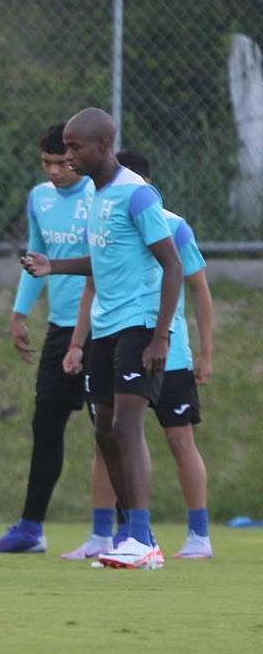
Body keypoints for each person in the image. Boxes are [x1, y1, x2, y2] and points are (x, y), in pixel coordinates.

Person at [22, 108, 183, 570]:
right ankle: (139, 536)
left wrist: (160, 336)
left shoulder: (137, 196)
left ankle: (139, 537)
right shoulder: (96, 195)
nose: (68, 156)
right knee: (103, 429)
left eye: (75, 148)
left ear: (103, 146)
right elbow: (102, 261)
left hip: (139, 323)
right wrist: (54, 266)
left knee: (127, 426)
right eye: (65, 147)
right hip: (106, 325)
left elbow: (171, 265)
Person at [61, 149, 215, 560]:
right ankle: (113, 533)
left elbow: (195, 285)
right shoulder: (102, 209)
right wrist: (78, 342)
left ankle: (196, 534)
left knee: (177, 439)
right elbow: (95, 281)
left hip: (166, 347)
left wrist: (205, 352)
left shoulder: (170, 225)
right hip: (116, 337)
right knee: (108, 433)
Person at [0, 124, 93, 554]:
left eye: (62, 162)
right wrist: (19, 312)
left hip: (103, 326)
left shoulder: (100, 197)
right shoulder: (39, 198)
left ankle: (125, 531)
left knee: (111, 431)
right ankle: (30, 529)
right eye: (47, 163)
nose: (55, 171)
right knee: (45, 423)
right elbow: (36, 252)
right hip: (61, 329)